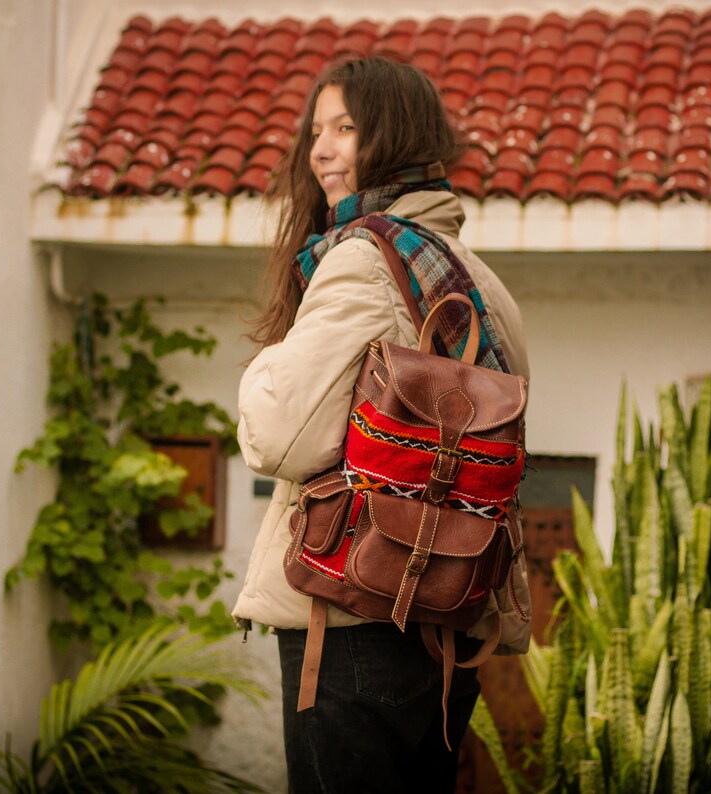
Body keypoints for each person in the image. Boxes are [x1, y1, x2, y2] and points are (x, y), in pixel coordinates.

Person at [232, 56, 530, 794]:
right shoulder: (481, 279)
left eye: (346, 129)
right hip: (446, 620)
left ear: (394, 138)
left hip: (353, 612)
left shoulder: (364, 258)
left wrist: (269, 362)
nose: (321, 150)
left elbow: (277, 434)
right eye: (316, 131)